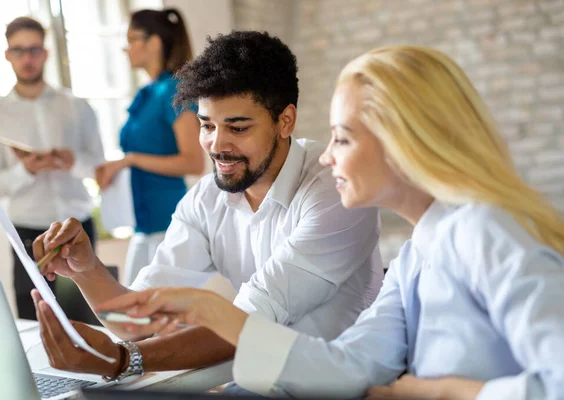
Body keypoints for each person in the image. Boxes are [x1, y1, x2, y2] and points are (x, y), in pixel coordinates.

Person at [89, 45, 564, 399]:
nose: (328, 158)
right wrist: (211, 312)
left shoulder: (486, 231)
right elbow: (351, 364)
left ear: (404, 142)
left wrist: (443, 392)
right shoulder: (417, 253)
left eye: (342, 139)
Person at [30, 31, 383, 382]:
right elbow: (136, 322)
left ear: (285, 121)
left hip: (343, 385)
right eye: (206, 125)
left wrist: (122, 359)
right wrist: (86, 269)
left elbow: (249, 324)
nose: (217, 145)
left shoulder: (334, 189)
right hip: (260, 382)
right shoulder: (207, 198)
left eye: (238, 128)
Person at [0, 17, 104, 320]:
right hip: (26, 232)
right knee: (37, 320)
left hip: (78, 227)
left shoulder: (76, 105)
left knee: (88, 317)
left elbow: (97, 167)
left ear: (45, 53)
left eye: (34, 50)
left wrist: (71, 162)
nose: (27, 58)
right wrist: (28, 170)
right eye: (18, 50)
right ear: (7, 54)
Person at [94, 9, 204, 285]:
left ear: (154, 43)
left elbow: (194, 162)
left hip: (168, 225)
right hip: (142, 224)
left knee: (157, 317)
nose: (125, 48)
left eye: (132, 40)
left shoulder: (173, 90)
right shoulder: (148, 92)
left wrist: (130, 160)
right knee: (132, 313)